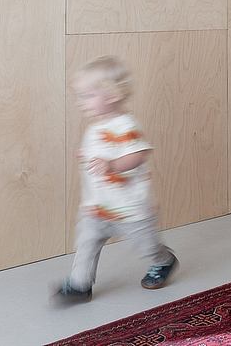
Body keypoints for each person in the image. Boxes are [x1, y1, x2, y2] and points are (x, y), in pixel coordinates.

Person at [53, 55, 178, 305]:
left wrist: (112, 165)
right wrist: (87, 156)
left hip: (129, 208)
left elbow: (139, 154)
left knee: (146, 246)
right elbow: (98, 154)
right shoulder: (94, 128)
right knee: (86, 243)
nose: (81, 102)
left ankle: (163, 260)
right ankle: (81, 284)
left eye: (88, 96)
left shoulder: (125, 126)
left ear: (111, 95)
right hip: (97, 208)